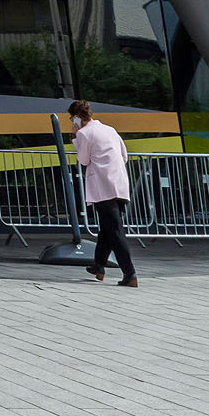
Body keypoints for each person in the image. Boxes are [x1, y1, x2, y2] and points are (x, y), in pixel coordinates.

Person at [70, 99, 138, 287]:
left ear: (77, 118)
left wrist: (75, 137)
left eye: (72, 119)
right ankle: (99, 265)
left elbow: (83, 160)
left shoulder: (84, 133)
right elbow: (124, 155)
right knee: (107, 228)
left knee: (114, 231)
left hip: (102, 186)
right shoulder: (110, 130)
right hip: (119, 183)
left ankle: (129, 273)